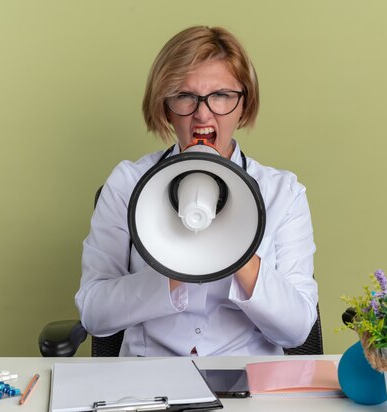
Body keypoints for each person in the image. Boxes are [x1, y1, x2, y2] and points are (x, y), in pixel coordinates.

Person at [75, 26, 318, 356]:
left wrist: (234, 251)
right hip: (149, 379)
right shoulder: (128, 184)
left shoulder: (283, 193)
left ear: (243, 105)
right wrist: (176, 267)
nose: (203, 113)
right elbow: (94, 314)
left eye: (221, 95)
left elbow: (298, 330)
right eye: (185, 96)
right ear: (165, 107)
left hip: (248, 381)